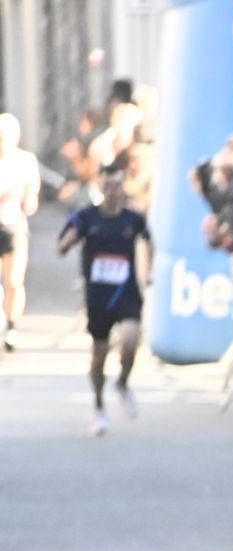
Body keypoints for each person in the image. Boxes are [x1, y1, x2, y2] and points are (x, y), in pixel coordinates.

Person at [57, 163, 150, 437]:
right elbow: (64, 242)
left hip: (126, 291)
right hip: (98, 295)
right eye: (107, 187)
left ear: (123, 189)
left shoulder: (133, 219)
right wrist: (68, 242)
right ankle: (99, 406)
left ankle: (123, 382)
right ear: (101, 188)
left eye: (117, 186)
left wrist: (150, 270)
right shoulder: (86, 217)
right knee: (99, 354)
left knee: (131, 339)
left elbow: (148, 239)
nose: (112, 192)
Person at [0, 112, 43, 350]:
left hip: (14, 225)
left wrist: (27, 201)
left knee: (14, 280)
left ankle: (12, 326)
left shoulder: (26, 161)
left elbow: (32, 198)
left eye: (7, 135)